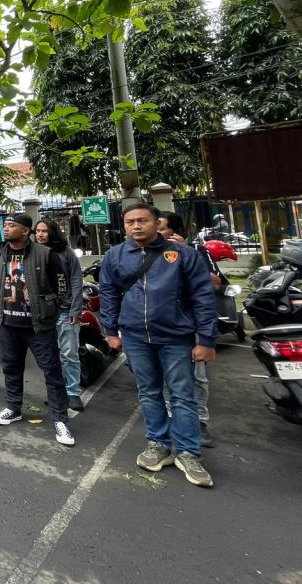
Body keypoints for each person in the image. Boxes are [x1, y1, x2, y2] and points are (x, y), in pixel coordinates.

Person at [99, 203, 218, 488]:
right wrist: (111, 330)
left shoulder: (183, 255)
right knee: (149, 392)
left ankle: (188, 452)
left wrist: (207, 339)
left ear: (156, 223)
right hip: (135, 337)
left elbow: (203, 297)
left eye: (142, 221)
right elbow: (108, 293)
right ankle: (158, 444)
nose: (136, 226)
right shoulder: (116, 256)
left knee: (182, 394)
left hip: (176, 336)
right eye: (130, 222)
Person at [0, 213, 75, 447]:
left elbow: (61, 285)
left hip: (39, 326)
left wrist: (48, 309)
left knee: (52, 372)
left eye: (11, 226)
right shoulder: (0, 253)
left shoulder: (45, 254)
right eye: (5, 225)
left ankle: (60, 419)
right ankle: (13, 407)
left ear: (25, 230)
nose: (6, 229)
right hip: (8, 324)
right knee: (11, 368)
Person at [158, 211, 220, 448]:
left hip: (190, 325)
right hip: (160, 325)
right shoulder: (146, 252)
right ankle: (171, 418)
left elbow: (214, 284)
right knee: (162, 377)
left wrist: (186, 254)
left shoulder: (196, 252)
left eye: (161, 227)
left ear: (174, 232)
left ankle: (200, 422)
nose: (156, 230)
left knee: (196, 377)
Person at [35, 219, 86, 411]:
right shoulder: (34, 252)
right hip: (44, 314)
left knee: (69, 354)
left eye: (44, 231)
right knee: (50, 356)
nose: (40, 234)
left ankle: (72, 392)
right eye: (37, 231)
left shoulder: (66, 253)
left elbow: (76, 279)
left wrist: (76, 309)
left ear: (53, 233)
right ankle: (57, 391)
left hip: (65, 312)